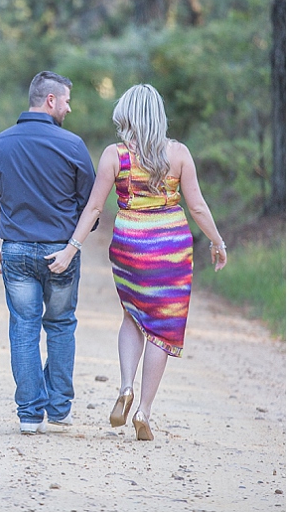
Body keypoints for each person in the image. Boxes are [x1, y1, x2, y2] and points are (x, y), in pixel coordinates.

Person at [45, 83, 227, 441]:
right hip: (171, 247)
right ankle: (144, 409)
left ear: (126, 114)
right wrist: (217, 241)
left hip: (130, 245)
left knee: (133, 313)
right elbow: (198, 206)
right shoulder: (178, 154)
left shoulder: (115, 155)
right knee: (160, 328)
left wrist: (71, 248)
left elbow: (95, 207)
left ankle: (125, 386)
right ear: (158, 116)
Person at [0, 71, 97, 435]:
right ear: (50, 101)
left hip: (15, 252)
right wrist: (75, 243)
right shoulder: (73, 146)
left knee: (23, 328)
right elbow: (89, 203)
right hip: (61, 252)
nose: (69, 108)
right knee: (60, 325)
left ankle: (30, 414)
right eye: (66, 101)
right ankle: (58, 408)